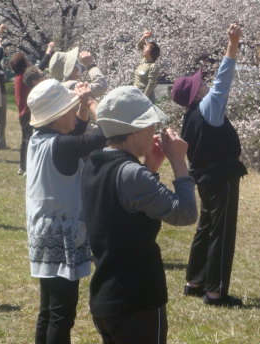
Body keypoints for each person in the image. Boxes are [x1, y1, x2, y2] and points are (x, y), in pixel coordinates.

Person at [81, 86, 197, 344]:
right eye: (150, 125)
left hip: (106, 297)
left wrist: (150, 167)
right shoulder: (132, 174)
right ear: (134, 130)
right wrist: (179, 163)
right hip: (137, 301)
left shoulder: (94, 164)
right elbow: (186, 213)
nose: (154, 130)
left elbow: (124, 210)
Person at [171, 23, 247, 307]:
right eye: (198, 83)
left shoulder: (189, 117)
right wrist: (233, 43)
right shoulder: (208, 108)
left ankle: (195, 281)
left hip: (204, 177)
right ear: (195, 93)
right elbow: (224, 80)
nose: (203, 82)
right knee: (221, 231)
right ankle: (215, 291)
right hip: (221, 175)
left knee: (207, 226)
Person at [26, 79, 105, 344]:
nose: (74, 112)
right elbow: (103, 134)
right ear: (57, 116)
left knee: (48, 310)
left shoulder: (39, 140)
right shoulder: (61, 146)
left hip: (42, 232)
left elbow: (75, 137)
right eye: (70, 109)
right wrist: (92, 103)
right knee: (62, 314)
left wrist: (82, 111)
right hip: (62, 236)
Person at [10, 52, 33, 176]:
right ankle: (27, 168)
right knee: (29, 140)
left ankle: (22, 167)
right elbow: (38, 71)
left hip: (22, 113)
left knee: (25, 140)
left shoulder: (17, 76)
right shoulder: (25, 76)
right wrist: (48, 52)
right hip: (28, 112)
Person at [133, 30, 161, 103]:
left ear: (151, 52)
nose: (144, 48)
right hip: (136, 94)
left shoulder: (153, 66)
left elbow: (151, 84)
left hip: (145, 98)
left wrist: (144, 97)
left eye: (147, 48)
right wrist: (144, 37)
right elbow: (139, 45)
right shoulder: (143, 60)